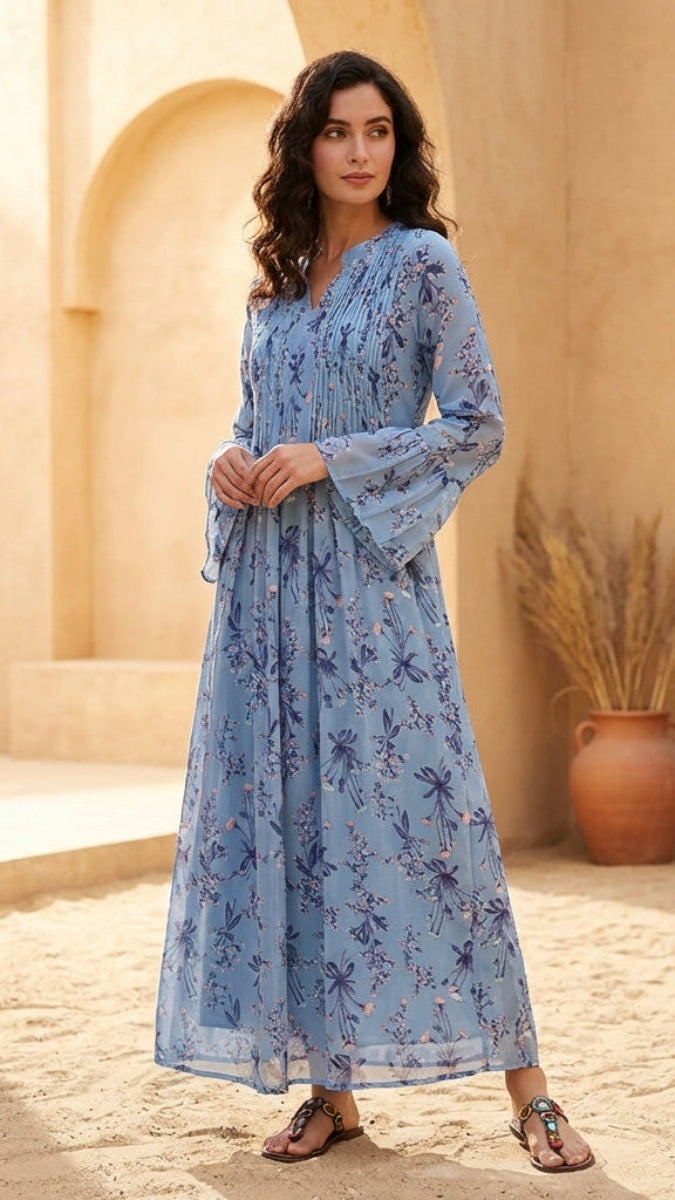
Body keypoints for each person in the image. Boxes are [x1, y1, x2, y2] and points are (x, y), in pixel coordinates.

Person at [155, 50, 594, 1174]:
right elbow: (252, 418)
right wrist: (230, 457)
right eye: (338, 131)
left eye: (380, 132)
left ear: (399, 147)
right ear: (305, 146)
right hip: (265, 601)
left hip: (370, 597)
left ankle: (530, 1090)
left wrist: (329, 460)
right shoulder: (276, 282)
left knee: (433, 828)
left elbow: (477, 422)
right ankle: (332, 1093)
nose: (359, 152)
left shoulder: (423, 267)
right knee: (303, 829)